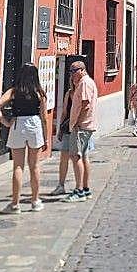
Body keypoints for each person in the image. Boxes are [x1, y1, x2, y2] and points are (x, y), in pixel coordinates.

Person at [0, 63, 49, 213]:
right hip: (34, 124)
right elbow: (44, 118)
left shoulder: (14, 91)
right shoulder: (40, 93)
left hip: (18, 125)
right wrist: (46, 137)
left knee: (18, 166)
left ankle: (15, 204)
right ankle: (35, 201)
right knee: (35, 166)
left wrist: (6, 122)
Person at [60, 61, 97, 202]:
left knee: (76, 157)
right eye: (70, 71)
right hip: (84, 126)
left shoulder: (84, 83)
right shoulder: (84, 83)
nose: (71, 74)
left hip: (81, 127)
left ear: (82, 70)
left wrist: (75, 123)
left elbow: (84, 104)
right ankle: (86, 189)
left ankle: (79, 190)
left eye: (74, 71)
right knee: (83, 157)